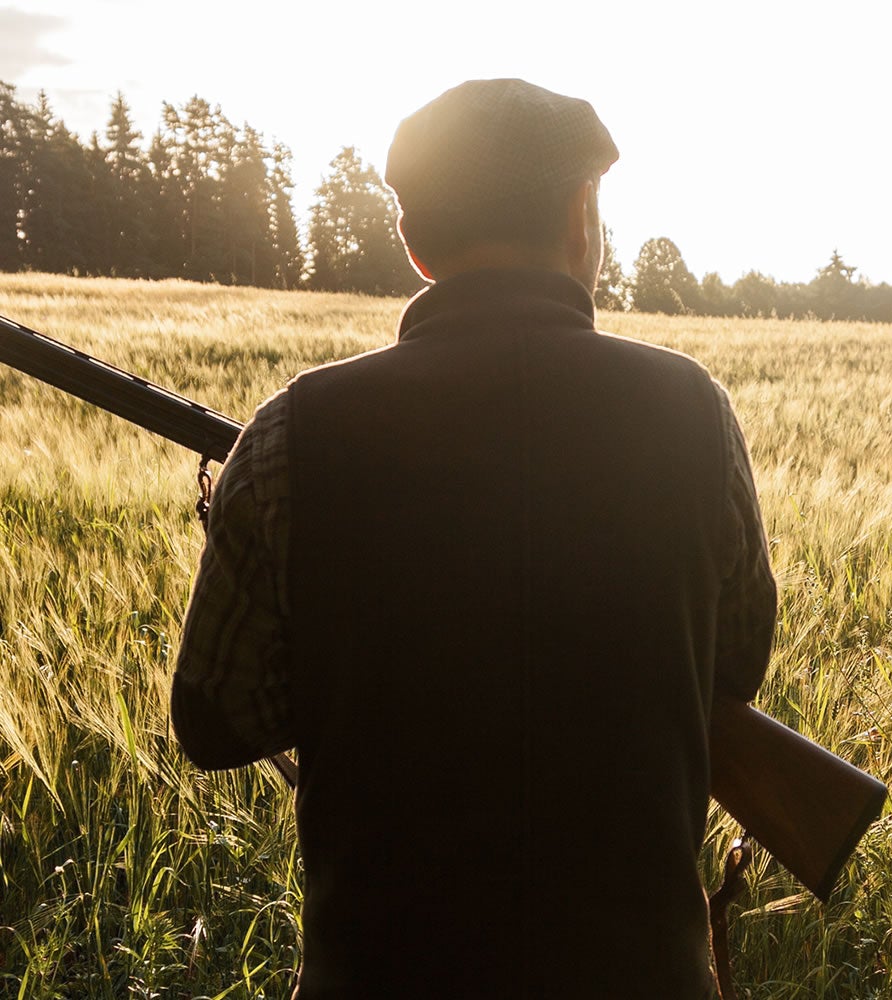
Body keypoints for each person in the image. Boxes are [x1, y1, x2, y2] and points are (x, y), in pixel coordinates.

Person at [171, 78, 776, 998]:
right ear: (582, 217)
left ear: (416, 245)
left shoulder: (299, 432)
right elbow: (735, 664)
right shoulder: (694, 411)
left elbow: (214, 721)